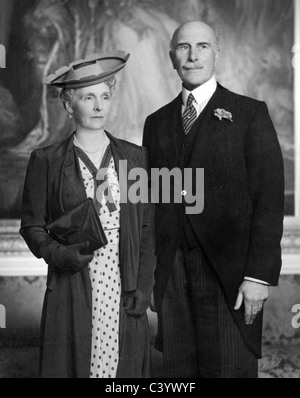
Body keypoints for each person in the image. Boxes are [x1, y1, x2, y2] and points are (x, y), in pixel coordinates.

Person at [143, 21, 284, 378]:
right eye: (184, 48)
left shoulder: (250, 114)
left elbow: (268, 201)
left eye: (202, 46)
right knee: (179, 374)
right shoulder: (155, 123)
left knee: (229, 368)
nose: (193, 56)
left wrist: (257, 277)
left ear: (217, 53)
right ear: (171, 56)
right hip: (172, 272)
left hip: (231, 273)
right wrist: (148, 274)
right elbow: (150, 201)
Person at [20, 52, 156, 378]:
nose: (99, 106)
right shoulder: (47, 161)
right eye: (88, 97)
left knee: (121, 369)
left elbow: (148, 227)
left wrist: (144, 285)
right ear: (69, 105)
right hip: (74, 279)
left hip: (124, 277)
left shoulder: (135, 158)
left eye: (105, 96)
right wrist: (60, 254)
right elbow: (32, 226)